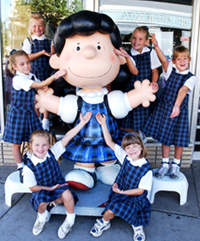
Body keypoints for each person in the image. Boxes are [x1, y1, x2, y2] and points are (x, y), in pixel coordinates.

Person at [35, 10, 156, 190]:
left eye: (99, 47)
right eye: (78, 47)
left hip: (106, 140)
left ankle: (107, 168)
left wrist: (142, 94)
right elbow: (61, 107)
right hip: (85, 141)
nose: (90, 52)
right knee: (85, 163)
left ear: (118, 57)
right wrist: (46, 101)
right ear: (57, 61)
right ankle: (85, 172)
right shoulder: (75, 102)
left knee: (109, 161)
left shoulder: (109, 99)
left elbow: (125, 102)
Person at [23, 112, 92, 238]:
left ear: (49, 145)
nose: (41, 148)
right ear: (31, 146)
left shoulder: (52, 152)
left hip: (57, 184)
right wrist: (50, 189)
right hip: (43, 188)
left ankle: (69, 221)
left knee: (67, 194)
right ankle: (41, 218)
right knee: (41, 202)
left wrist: (82, 123)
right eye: (37, 145)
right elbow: (32, 188)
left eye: (44, 144)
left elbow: (67, 137)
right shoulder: (29, 166)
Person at [3, 50, 66, 182]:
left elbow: (41, 86)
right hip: (19, 115)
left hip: (30, 113)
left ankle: (35, 163)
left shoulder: (30, 76)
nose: (26, 66)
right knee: (16, 143)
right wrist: (55, 76)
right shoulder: (18, 79)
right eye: (22, 64)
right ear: (15, 67)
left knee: (36, 139)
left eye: (27, 63)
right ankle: (20, 167)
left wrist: (45, 87)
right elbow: (40, 84)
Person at [90, 113, 152, 241]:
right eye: (128, 147)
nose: (131, 149)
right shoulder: (126, 157)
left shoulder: (146, 169)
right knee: (109, 211)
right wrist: (103, 124)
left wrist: (122, 192)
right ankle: (104, 222)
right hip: (120, 193)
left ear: (141, 147)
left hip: (136, 198)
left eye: (135, 146)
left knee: (134, 214)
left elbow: (140, 191)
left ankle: (137, 226)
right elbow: (109, 142)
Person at [142, 34, 196, 179]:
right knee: (165, 139)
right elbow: (163, 60)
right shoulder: (170, 71)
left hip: (179, 112)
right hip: (166, 109)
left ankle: (175, 166)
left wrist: (177, 106)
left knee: (179, 139)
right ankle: (165, 164)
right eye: (179, 59)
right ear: (174, 61)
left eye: (185, 58)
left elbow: (183, 90)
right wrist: (157, 47)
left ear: (189, 60)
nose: (182, 61)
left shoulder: (191, 77)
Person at [118, 26, 161, 141]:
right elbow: (134, 71)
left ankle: (140, 139)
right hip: (131, 90)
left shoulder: (151, 52)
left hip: (146, 92)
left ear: (147, 41)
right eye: (134, 38)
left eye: (140, 39)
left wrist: (154, 82)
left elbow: (155, 70)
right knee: (127, 122)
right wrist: (126, 57)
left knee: (143, 119)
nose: (136, 41)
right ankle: (136, 139)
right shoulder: (127, 54)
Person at [22, 12, 54, 131]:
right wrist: (41, 53)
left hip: (47, 72)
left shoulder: (49, 40)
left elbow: (53, 55)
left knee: (46, 95)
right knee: (35, 97)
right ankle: (37, 120)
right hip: (34, 72)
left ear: (44, 26)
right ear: (31, 27)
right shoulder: (29, 41)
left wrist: (52, 54)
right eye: (34, 26)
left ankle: (45, 120)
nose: (37, 29)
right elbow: (27, 57)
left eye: (40, 26)